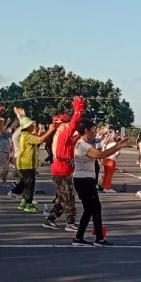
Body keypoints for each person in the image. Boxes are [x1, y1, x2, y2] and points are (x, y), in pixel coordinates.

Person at [72, 119, 131, 246]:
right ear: (86, 130)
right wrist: (119, 146)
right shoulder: (83, 145)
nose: (94, 132)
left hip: (83, 179)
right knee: (95, 207)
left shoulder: (82, 143)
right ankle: (99, 238)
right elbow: (101, 155)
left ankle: (79, 237)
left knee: (90, 209)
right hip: (84, 180)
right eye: (92, 129)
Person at [43, 97, 86, 230]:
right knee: (68, 196)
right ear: (61, 124)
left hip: (64, 168)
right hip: (62, 169)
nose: (68, 125)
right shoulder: (62, 134)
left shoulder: (61, 136)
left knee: (62, 196)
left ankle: (51, 217)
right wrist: (78, 111)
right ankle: (70, 222)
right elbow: (74, 125)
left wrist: (80, 133)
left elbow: (73, 140)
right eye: (65, 123)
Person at [12, 108, 57, 212]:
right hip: (26, 163)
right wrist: (50, 130)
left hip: (27, 163)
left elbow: (40, 136)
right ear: (27, 127)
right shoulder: (26, 135)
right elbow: (40, 139)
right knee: (29, 185)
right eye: (32, 125)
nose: (35, 127)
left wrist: (47, 131)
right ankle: (28, 204)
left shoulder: (28, 135)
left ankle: (24, 202)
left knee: (28, 183)